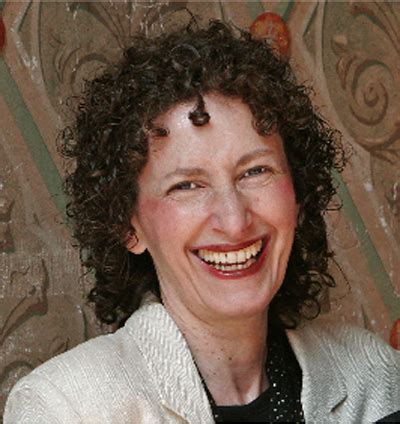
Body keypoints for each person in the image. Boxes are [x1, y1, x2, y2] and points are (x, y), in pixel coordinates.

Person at [4, 20, 400, 423]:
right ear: (127, 225)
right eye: (187, 185)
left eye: (255, 171)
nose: (234, 220)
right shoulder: (64, 406)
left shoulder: (375, 377)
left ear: (297, 193)